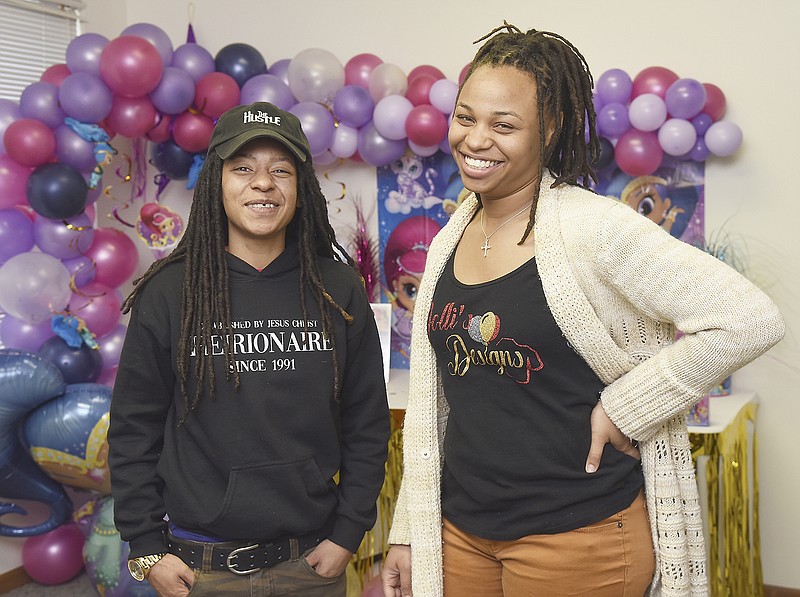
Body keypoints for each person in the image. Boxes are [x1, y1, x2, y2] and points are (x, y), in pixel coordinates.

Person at [381, 23, 784, 597]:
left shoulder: (592, 226)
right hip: (462, 535)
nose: (474, 140)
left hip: (576, 540)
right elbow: (435, 407)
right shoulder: (454, 229)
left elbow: (750, 317)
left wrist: (627, 407)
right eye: (465, 117)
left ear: (550, 129)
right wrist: (409, 530)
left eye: (504, 125)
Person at [107, 101, 390, 597]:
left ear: (301, 188)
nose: (263, 183)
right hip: (201, 568)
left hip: (310, 563)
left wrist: (349, 531)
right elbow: (134, 428)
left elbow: (366, 422)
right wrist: (145, 544)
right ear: (217, 182)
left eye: (281, 170)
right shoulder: (174, 291)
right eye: (243, 169)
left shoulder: (337, 289)